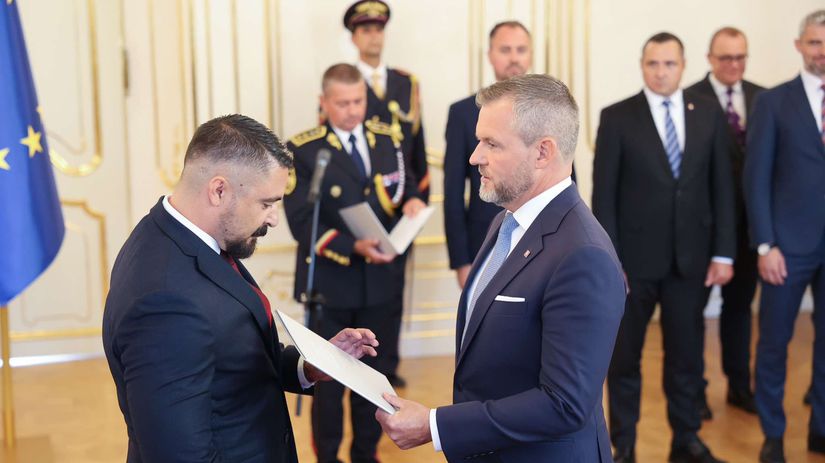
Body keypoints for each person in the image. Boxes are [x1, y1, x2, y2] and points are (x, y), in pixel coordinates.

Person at [375, 74, 626, 462]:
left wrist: (435, 425)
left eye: (491, 143)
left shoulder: (583, 255)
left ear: (542, 152)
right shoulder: (505, 222)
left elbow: (564, 404)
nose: (475, 156)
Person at [102, 114, 379, 462]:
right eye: (266, 203)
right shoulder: (164, 302)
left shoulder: (179, 235)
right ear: (219, 190)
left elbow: (231, 355)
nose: (273, 218)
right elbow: (180, 454)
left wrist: (310, 366)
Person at [593, 32, 736, 463]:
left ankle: (686, 439)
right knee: (624, 360)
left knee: (687, 357)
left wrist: (724, 252)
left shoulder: (708, 113)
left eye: (669, 64)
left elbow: (722, 187)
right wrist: (609, 262)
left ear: (683, 66)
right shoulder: (617, 117)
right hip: (631, 265)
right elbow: (604, 198)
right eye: (653, 64)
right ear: (642, 66)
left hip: (691, 260)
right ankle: (624, 445)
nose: (661, 72)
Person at [283, 63, 426, 463]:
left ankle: (366, 454)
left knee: (374, 381)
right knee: (328, 385)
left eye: (358, 101)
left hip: (381, 281)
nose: (352, 110)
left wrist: (413, 201)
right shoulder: (304, 150)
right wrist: (352, 246)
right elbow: (301, 223)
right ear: (324, 102)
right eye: (342, 103)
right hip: (332, 284)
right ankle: (328, 457)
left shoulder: (387, 139)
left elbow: (404, 186)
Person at [744, 10, 825, 463]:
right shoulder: (773, 102)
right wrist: (765, 244)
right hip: (786, 248)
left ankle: (821, 429)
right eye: (815, 42)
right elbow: (756, 178)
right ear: (799, 46)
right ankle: (773, 433)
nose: (822, 52)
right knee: (774, 343)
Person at [344, 0, 429, 388]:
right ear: (354, 37)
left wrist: (419, 195)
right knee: (362, 286)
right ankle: (356, 361)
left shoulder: (405, 83)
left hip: (401, 203)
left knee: (394, 289)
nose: (373, 36)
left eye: (378, 29)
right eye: (365, 30)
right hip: (363, 207)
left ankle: (388, 365)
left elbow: (416, 145)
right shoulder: (344, 83)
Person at [686, 26, 764, 416]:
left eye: (740, 57)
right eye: (725, 57)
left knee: (739, 309)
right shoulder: (688, 100)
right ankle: (694, 393)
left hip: (749, 228)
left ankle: (738, 386)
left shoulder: (763, 97)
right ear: (709, 58)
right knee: (691, 314)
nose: (733, 64)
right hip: (702, 228)